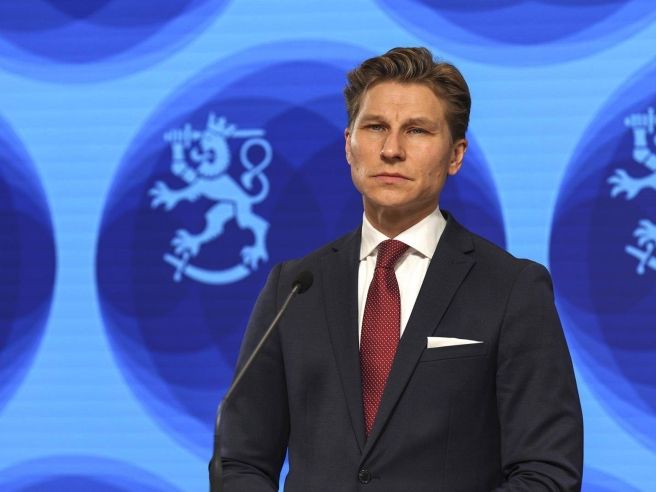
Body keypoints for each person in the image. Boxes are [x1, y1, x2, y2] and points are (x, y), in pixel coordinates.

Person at [211, 47, 583, 491]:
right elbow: (240, 461)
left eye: (417, 130)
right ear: (348, 145)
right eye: (375, 128)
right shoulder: (293, 287)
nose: (391, 150)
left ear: (455, 155)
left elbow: (546, 472)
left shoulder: (511, 289)